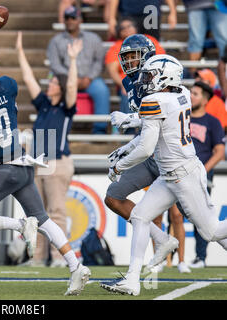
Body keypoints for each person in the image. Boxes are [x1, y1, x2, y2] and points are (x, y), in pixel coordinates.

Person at [0, 43, 91, 296]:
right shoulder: (8, 86)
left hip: (4, 171)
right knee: (44, 219)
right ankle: (75, 266)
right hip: (24, 164)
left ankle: (19, 225)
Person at [101, 54, 227, 296]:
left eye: (151, 75)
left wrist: (120, 166)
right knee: (139, 216)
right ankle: (132, 279)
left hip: (183, 175)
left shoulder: (155, 100)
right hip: (173, 174)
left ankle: (133, 277)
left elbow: (146, 148)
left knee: (211, 231)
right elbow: (159, 114)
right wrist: (130, 119)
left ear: (165, 76)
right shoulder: (183, 94)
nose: (147, 79)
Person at [106, 35, 179, 273]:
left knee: (206, 224)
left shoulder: (155, 76)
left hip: (171, 156)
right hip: (150, 153)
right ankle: (160, 241)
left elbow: (164, 111)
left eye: (133, 56)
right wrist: (128, 147)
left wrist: (129, 118)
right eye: (125, 57)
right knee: (114, 196)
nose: (128, 61)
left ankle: (143, 269)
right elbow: (148, 126)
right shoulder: (130, 82)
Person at [17, 31, 82, 267]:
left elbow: (73, 84)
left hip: (57, 162)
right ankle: (35, 258)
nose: (50, 83)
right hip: (40, 163)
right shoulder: (44, 105)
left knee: (55, 211)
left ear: (61, 88)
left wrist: (73, 59)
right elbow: (28, 78)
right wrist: (20, 52)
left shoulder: (65, 107)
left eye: (54, 81)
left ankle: (59, 258)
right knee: (36, 214)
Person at [47, 5, 110, 134]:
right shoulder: (56, 41)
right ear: (63, 20)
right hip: (66, 79)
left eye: (73, 18)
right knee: (55, 89)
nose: (70, 20)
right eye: (67, 18)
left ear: (80, 20)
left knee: (102, 90)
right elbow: (55, 65)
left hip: (90, 79)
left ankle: (100, 129)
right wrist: (71, 79)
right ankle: (59, 128)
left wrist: (89, 78)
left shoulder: (93, 38)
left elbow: (99, 61)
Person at [187, 81, 226, 269]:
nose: (190, 96)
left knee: (201, 217)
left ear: (204, 99)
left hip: (202, 174)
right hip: (180, 172)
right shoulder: (181, 117)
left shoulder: (212, 122)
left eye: (195, 93)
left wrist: (203, 170)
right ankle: (174, 261)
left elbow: (219, 151)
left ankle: (200, 258)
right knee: (175, 215)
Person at [105, 17, 165, 116]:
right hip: (129, 82)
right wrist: (123, 84)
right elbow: (112, 70)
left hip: (152, 79)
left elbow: (160, 61)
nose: (126, 29)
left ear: (136, 27)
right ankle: (129, 128)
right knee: (129, 90)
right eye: (122, 28)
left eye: (129, 26)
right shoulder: (117, 46)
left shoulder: (148, 40)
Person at [182, 0, 227, 71]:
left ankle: (225, 75)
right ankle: (193, 75)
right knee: (195, 42)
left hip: (219, 5)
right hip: (194, 5)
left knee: (224, 42)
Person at [107, 0, 177, 40]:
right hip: (128, 13)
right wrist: (111, 18)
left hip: (151, 12)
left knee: (151, 44)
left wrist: (172, 12)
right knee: (128, 45)